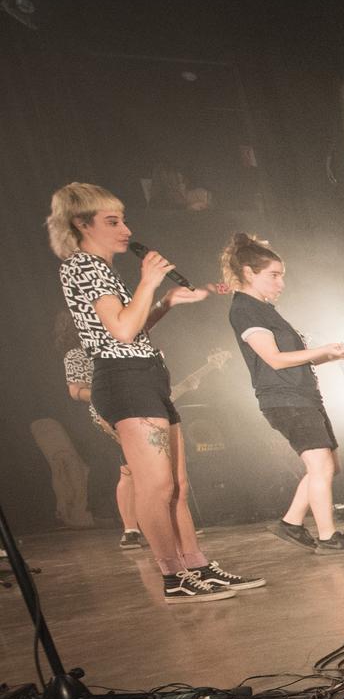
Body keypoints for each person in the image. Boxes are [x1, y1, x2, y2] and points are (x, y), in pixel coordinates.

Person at [49, 181, 255, 602]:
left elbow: (133, 327)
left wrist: (166, 302)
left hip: (144, 373)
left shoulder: (101, 269)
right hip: (123, 379)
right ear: (81, 224)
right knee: (156, 485)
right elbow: (122, 332)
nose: (125, 228)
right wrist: (148, 280)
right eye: (112, 221)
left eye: (124, 218)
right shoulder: (83, 266)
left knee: (177, 484)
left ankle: (196, 564)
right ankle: (172, 575)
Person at [217, 233, 344, 557]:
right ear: (248, 272)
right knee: (321, 466)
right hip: (284, 399)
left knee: (329, 465)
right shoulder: (245, 309)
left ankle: (290, 522)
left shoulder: (265, 310)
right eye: (273, 275)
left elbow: (293, 357)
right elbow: (273, 359)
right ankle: (328, 538)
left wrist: (335, 355)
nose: (281, 283)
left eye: (281, 275)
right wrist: (322, 349)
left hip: (302, 397)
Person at [59, 316, 139, 548]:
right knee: (130, 469)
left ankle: (135, 529)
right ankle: (132, 529)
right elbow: (75, 391)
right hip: (109, 413)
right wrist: (103, 392)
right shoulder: (76, 354)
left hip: (135, 406)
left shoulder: (115, 345)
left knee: (131, 469)